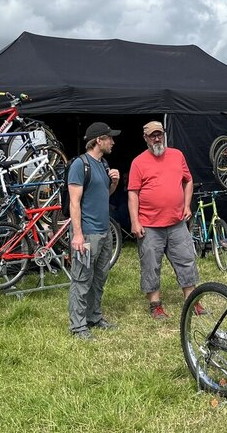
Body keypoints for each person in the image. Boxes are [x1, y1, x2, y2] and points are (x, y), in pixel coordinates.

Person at [127, 120, 200, 320]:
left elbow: (188, 180)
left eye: (159, 134)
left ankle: (192, 300)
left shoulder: (177, 156)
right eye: (152, 135)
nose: (157, 138)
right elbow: (133, 193)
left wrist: (186, 205)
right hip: (149, 224)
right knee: (151, 265)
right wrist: (135, 221)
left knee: (186, 260)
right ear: (145, 138)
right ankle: (155, 304)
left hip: (177, 222)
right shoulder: (138, 162)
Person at [67, 121, 121, 340]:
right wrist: (78, 234)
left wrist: (114, 183)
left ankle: (94, 317)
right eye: (109, 138)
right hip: (87, 233)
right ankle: (78, 327)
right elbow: (74, 202)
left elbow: (102, 196)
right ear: (99, 140)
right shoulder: (80, 165)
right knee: (81, 280)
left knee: (99, 278)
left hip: (104, 232)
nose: (113, 142)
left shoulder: (103, 163)